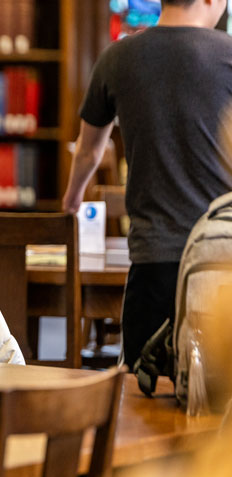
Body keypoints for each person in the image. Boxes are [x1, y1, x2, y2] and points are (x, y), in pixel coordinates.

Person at [61, 0, 232, 369]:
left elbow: (89, 152)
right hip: (221, 265)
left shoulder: (118, 57)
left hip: (153, 265)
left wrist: (71, 201)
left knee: (142, 402)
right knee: (220, 404)